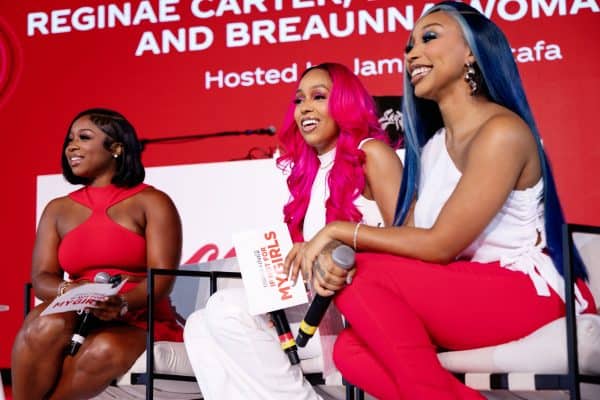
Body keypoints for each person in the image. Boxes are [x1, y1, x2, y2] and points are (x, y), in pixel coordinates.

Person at [297, 2, 598, 399]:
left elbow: (440, 244)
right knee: (350, 350)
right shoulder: (432, 147)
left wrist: (337, 232)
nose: (412, 54)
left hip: (530, 293)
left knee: (364, 273)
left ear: (471, 51)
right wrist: (332, 254)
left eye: (429, 38)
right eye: (409, 46)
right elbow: (410, 241)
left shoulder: (502, 132)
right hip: (469, 288)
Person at [183, 62, 403, 400]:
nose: (305, 108)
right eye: (299, 100)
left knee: (226, 307)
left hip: (360, 304)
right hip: (314, 305)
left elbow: (407, 238)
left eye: (319, 96)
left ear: (345, 102)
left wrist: (335, 237)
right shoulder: (310, 172)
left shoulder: (372, 152)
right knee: (198, 325)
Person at [11, 108, 183, 400]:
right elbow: (42, 278)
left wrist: (122, 304)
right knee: (45, 323)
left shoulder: (153, 202)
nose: (72, 146)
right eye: (70, 139)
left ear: (116, 148)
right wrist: (69, 291)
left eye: (84, 137)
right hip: (73, 310)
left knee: (104, 348)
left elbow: (161, 279)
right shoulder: (57, 209)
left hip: (136, 316)